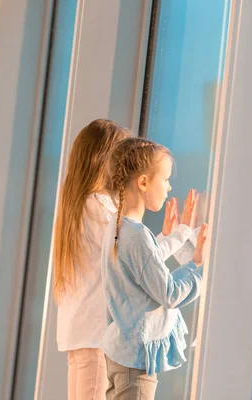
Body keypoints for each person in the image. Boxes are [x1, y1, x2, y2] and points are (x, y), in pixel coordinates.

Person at [53, 120, 198, 400]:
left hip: (81, 336)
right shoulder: (100, 208)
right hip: (97, 337)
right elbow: (140, 255)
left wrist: (169, 236)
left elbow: (136, 254)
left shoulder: (79, 206)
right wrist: (179, 236)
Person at [101, 137, 206, 399]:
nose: (170, 187)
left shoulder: (120, 226)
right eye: (166, 179)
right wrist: (197, 266)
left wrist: (179, 234)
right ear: (144, 182)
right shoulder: (136, 235)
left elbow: (146, 263)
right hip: (135, 363)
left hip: (123, 355)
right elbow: (169, 293)